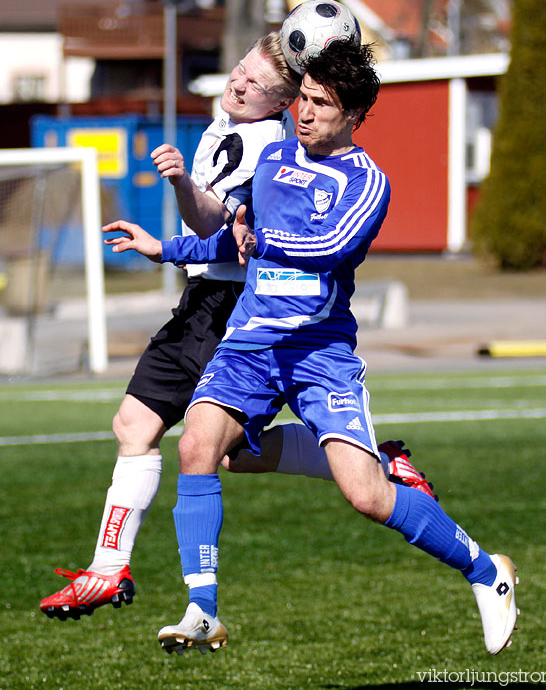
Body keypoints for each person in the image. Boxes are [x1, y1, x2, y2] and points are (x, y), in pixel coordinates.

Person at [102, 40, 519, 658]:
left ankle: (487, 571)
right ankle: (202, 609)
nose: (304, 113)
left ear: (352, 116)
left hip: (319, 351)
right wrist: (166, 249)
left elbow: (326, 248)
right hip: (249, 342)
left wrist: (257, 233)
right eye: (302, 99)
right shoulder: (272, 156)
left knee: (368, 496)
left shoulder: (365, 182)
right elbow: (233, 240)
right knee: (198, 443)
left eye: (321, 104)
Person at [40, 32, 433, 622]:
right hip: (201, 297)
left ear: (281, 103)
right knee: (133, 423)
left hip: (233, 306)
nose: (239, 82)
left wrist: (181, 192)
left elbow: (227, 225)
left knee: (225, 454)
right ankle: (106, 569)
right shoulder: (226, 127)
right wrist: (170, 244)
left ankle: (375, 462)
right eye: (241, 69)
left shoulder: (269, 145)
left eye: (258, 84)